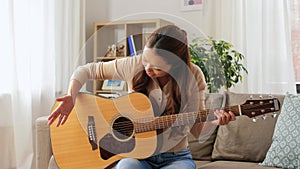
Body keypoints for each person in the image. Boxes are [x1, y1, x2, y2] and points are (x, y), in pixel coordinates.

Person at [48, 25, 236, 169]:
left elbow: (197, 128)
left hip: (176, 157)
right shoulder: (135, 65)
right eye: (146, 61)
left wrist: (215, 122)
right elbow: (86, 70)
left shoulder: (193, 76)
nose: (148, 70)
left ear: (176, 65)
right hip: (136, 156)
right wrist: (71, 96)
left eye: (157, 68)